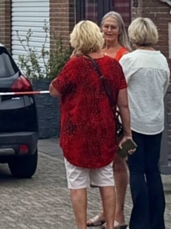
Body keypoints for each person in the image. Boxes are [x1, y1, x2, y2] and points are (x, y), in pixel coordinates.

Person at [51, 20, 133, 229]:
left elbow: (55, 90)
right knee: (106, 180)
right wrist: (127, 133)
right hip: (104, 133)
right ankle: (111, 224)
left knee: (78, 183)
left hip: (75, 133)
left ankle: (81, 226)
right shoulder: (114, 66)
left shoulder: (74, 65)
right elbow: (123, 104)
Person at [120, 18, 170, 229]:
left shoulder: (129, 61)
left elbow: (120, 91)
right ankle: (157, 221)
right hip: (155, 122)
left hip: (134, 123)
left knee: (137, 171)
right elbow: (164, 88)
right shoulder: (162, 61)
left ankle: (140, 222)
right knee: (153, 171)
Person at [89, 11, 133, 228]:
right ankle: (105, 211)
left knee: (118, 163)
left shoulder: (125, 55)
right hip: (97, 118)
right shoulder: (95, 53)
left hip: (115, 117)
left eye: (112, 27)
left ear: (120, 30)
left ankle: (119, 212)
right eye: (105, 26)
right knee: (102, 166)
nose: (107, 30)